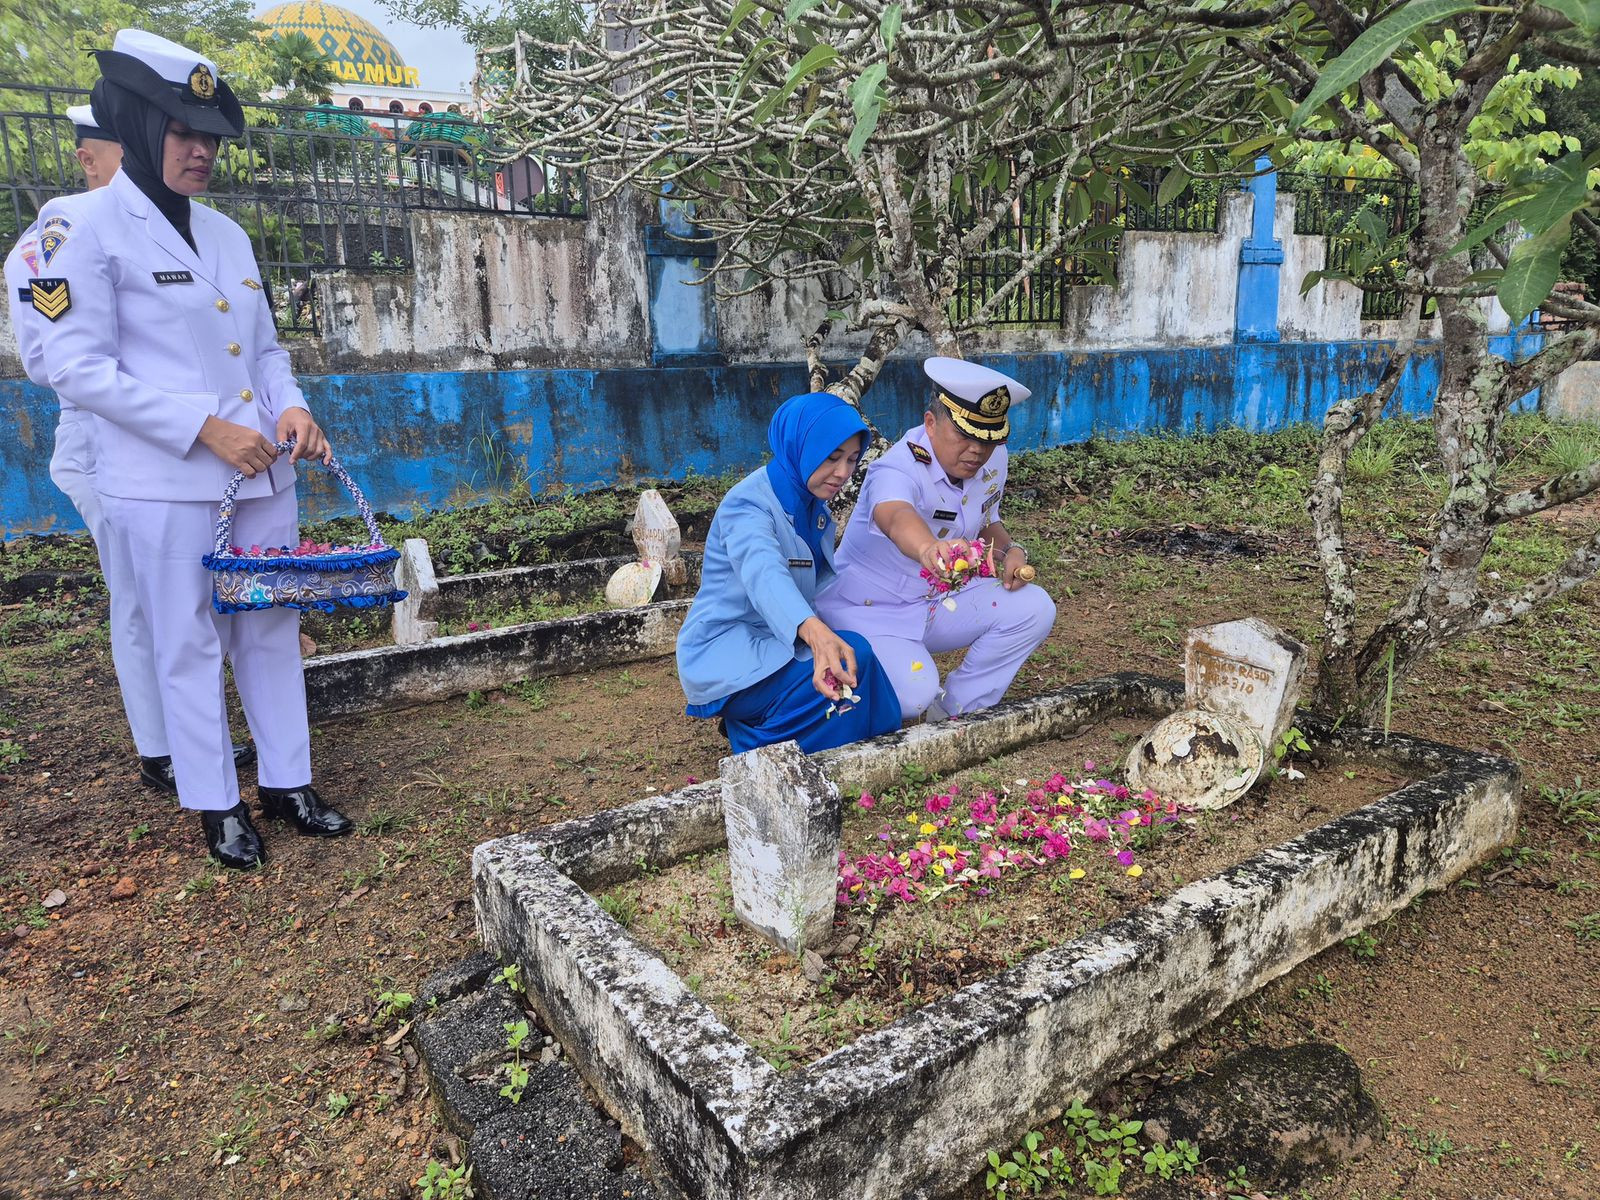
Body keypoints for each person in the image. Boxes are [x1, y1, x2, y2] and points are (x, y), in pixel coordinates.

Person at [19, 29, 352, 868]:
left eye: (208, 136)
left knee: (271, 626)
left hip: (262, 474)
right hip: (165, 481)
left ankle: (288, 780)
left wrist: (294, 410)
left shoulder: (229, 235)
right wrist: (200, 426)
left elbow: (268, 351)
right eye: (181, 132)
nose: (200, 150)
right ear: (134, 126)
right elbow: (65, 361)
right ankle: (215, 801)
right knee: (188, 639)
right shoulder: (76, 228)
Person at [5, 103, 257, 797]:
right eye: (139, 146)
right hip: (106, 438)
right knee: (145, 600)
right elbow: (50, 359)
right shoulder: (56, 237)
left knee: (193, 602)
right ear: (91, 157)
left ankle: (190, 737)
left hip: (183, 438)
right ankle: (163, 747)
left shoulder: (183, 233)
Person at [817, 357, 1056, 721]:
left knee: (1034, 607)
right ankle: (824, 670)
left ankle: (954, 713)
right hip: (869, 610)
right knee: (913, 694)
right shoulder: (897, 468)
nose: (976, 450)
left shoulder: (992, 461)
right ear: (931, 423)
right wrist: (929, 548)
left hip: (936, 602)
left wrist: (1010, 550)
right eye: (964, 435)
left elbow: (987, 519)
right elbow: (896, 517)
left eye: (986, 438)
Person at [677, 392, 902, 753]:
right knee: (851, 654)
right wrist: (816, 633)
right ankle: (757, 743)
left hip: (776, 645)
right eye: (831, 458)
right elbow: (763, 572)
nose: (843, 473)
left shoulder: (812, 506)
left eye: (852, 460)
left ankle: (878, 746)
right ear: (801, 446)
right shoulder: (748, 504)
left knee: (857, 660)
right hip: (729, 653)